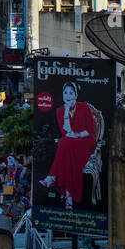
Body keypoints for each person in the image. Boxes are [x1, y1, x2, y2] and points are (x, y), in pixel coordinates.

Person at [39, 81, 96, 211]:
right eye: (65, 93)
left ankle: (52, 176)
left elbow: (90, 130)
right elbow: (66, 132)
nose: (68, 95)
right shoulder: (60, 111)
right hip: (70, 143)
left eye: (71, 93)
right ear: (62, 95)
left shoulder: (84, 107)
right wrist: (66, 113)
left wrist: (78, 135)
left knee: (64, 143)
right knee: (66, 148)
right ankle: (69, 198)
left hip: (86, 141)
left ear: (76, 95)